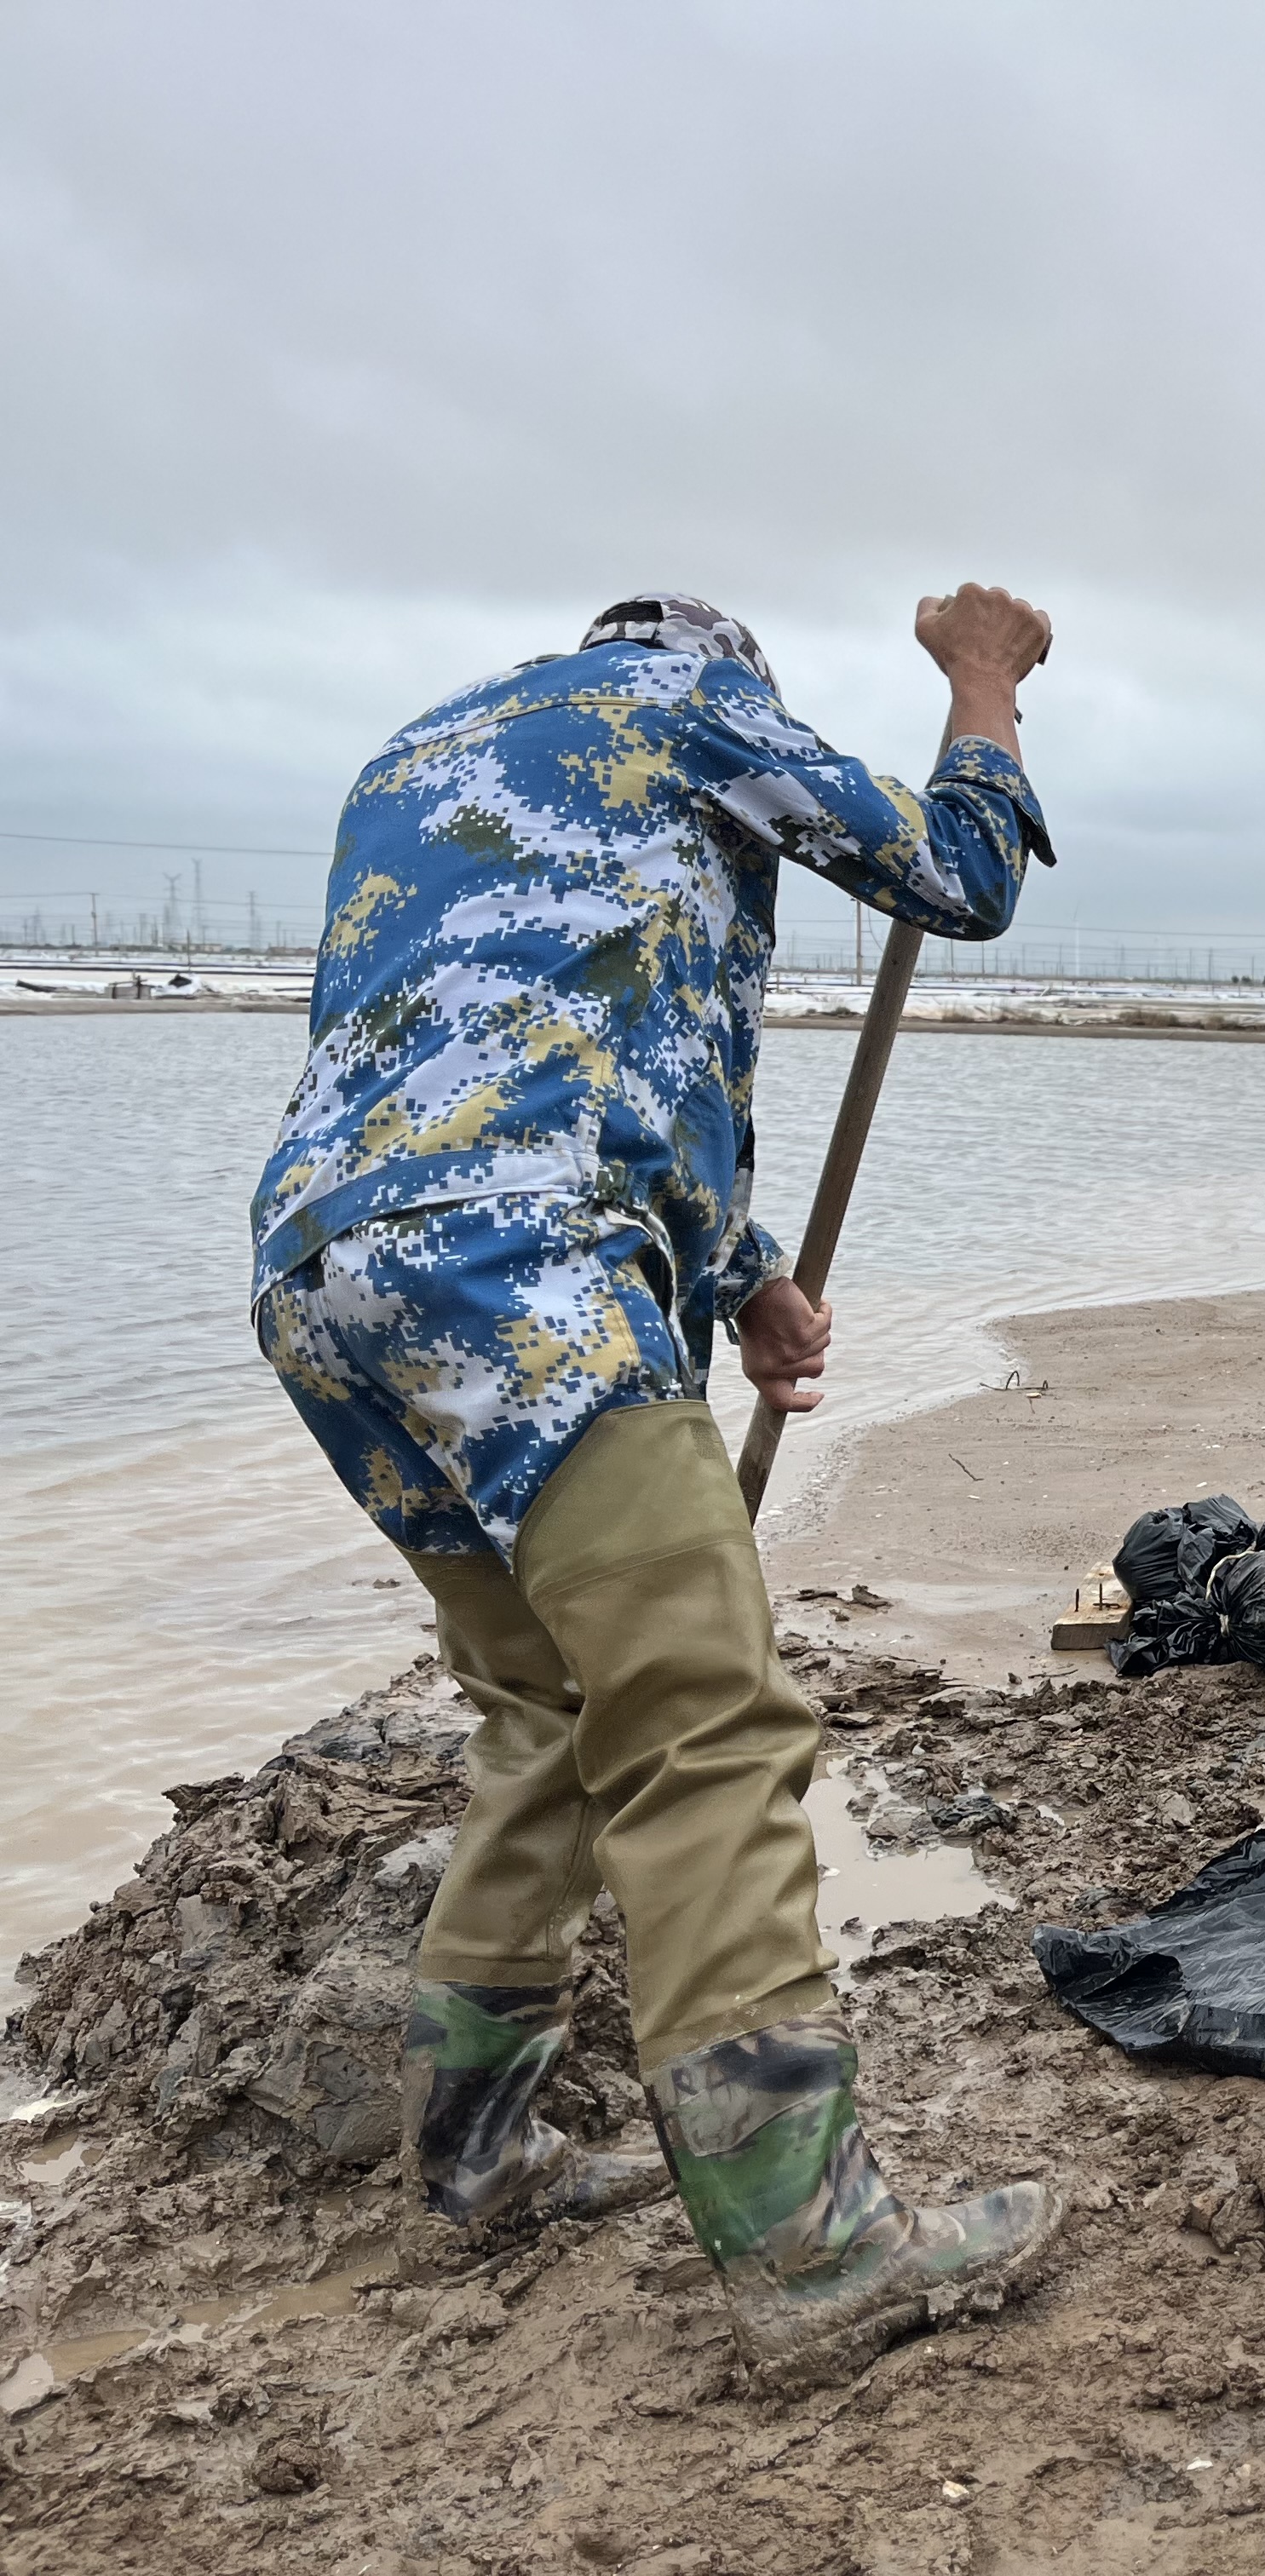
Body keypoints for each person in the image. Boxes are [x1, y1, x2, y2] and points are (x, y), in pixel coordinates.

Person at [250, 587, 1064, 2391]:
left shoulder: (418, 754)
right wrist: (983, 684)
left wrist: (742, 1273)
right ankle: (814, 2249)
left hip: (323, 1275)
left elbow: (529, 1042)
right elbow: (958, 876)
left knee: (547, 1708)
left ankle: (476, 2158)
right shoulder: (689, 705)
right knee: (704, 1718)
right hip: (525, 1266)